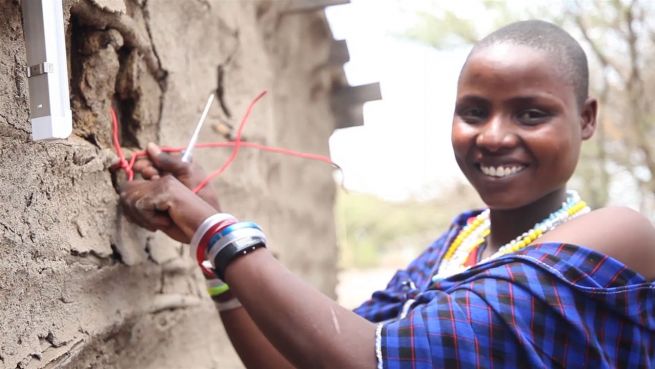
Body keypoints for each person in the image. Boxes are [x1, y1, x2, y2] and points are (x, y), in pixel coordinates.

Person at [119, 20, 655, 369]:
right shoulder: (461, 243)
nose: (492, 135)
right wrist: (212, 249)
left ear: (585, 119)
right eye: (473, 112)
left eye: (531, 113)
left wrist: (219, 233)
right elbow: (311, 357)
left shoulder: (617, 238)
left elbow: (366, 360)